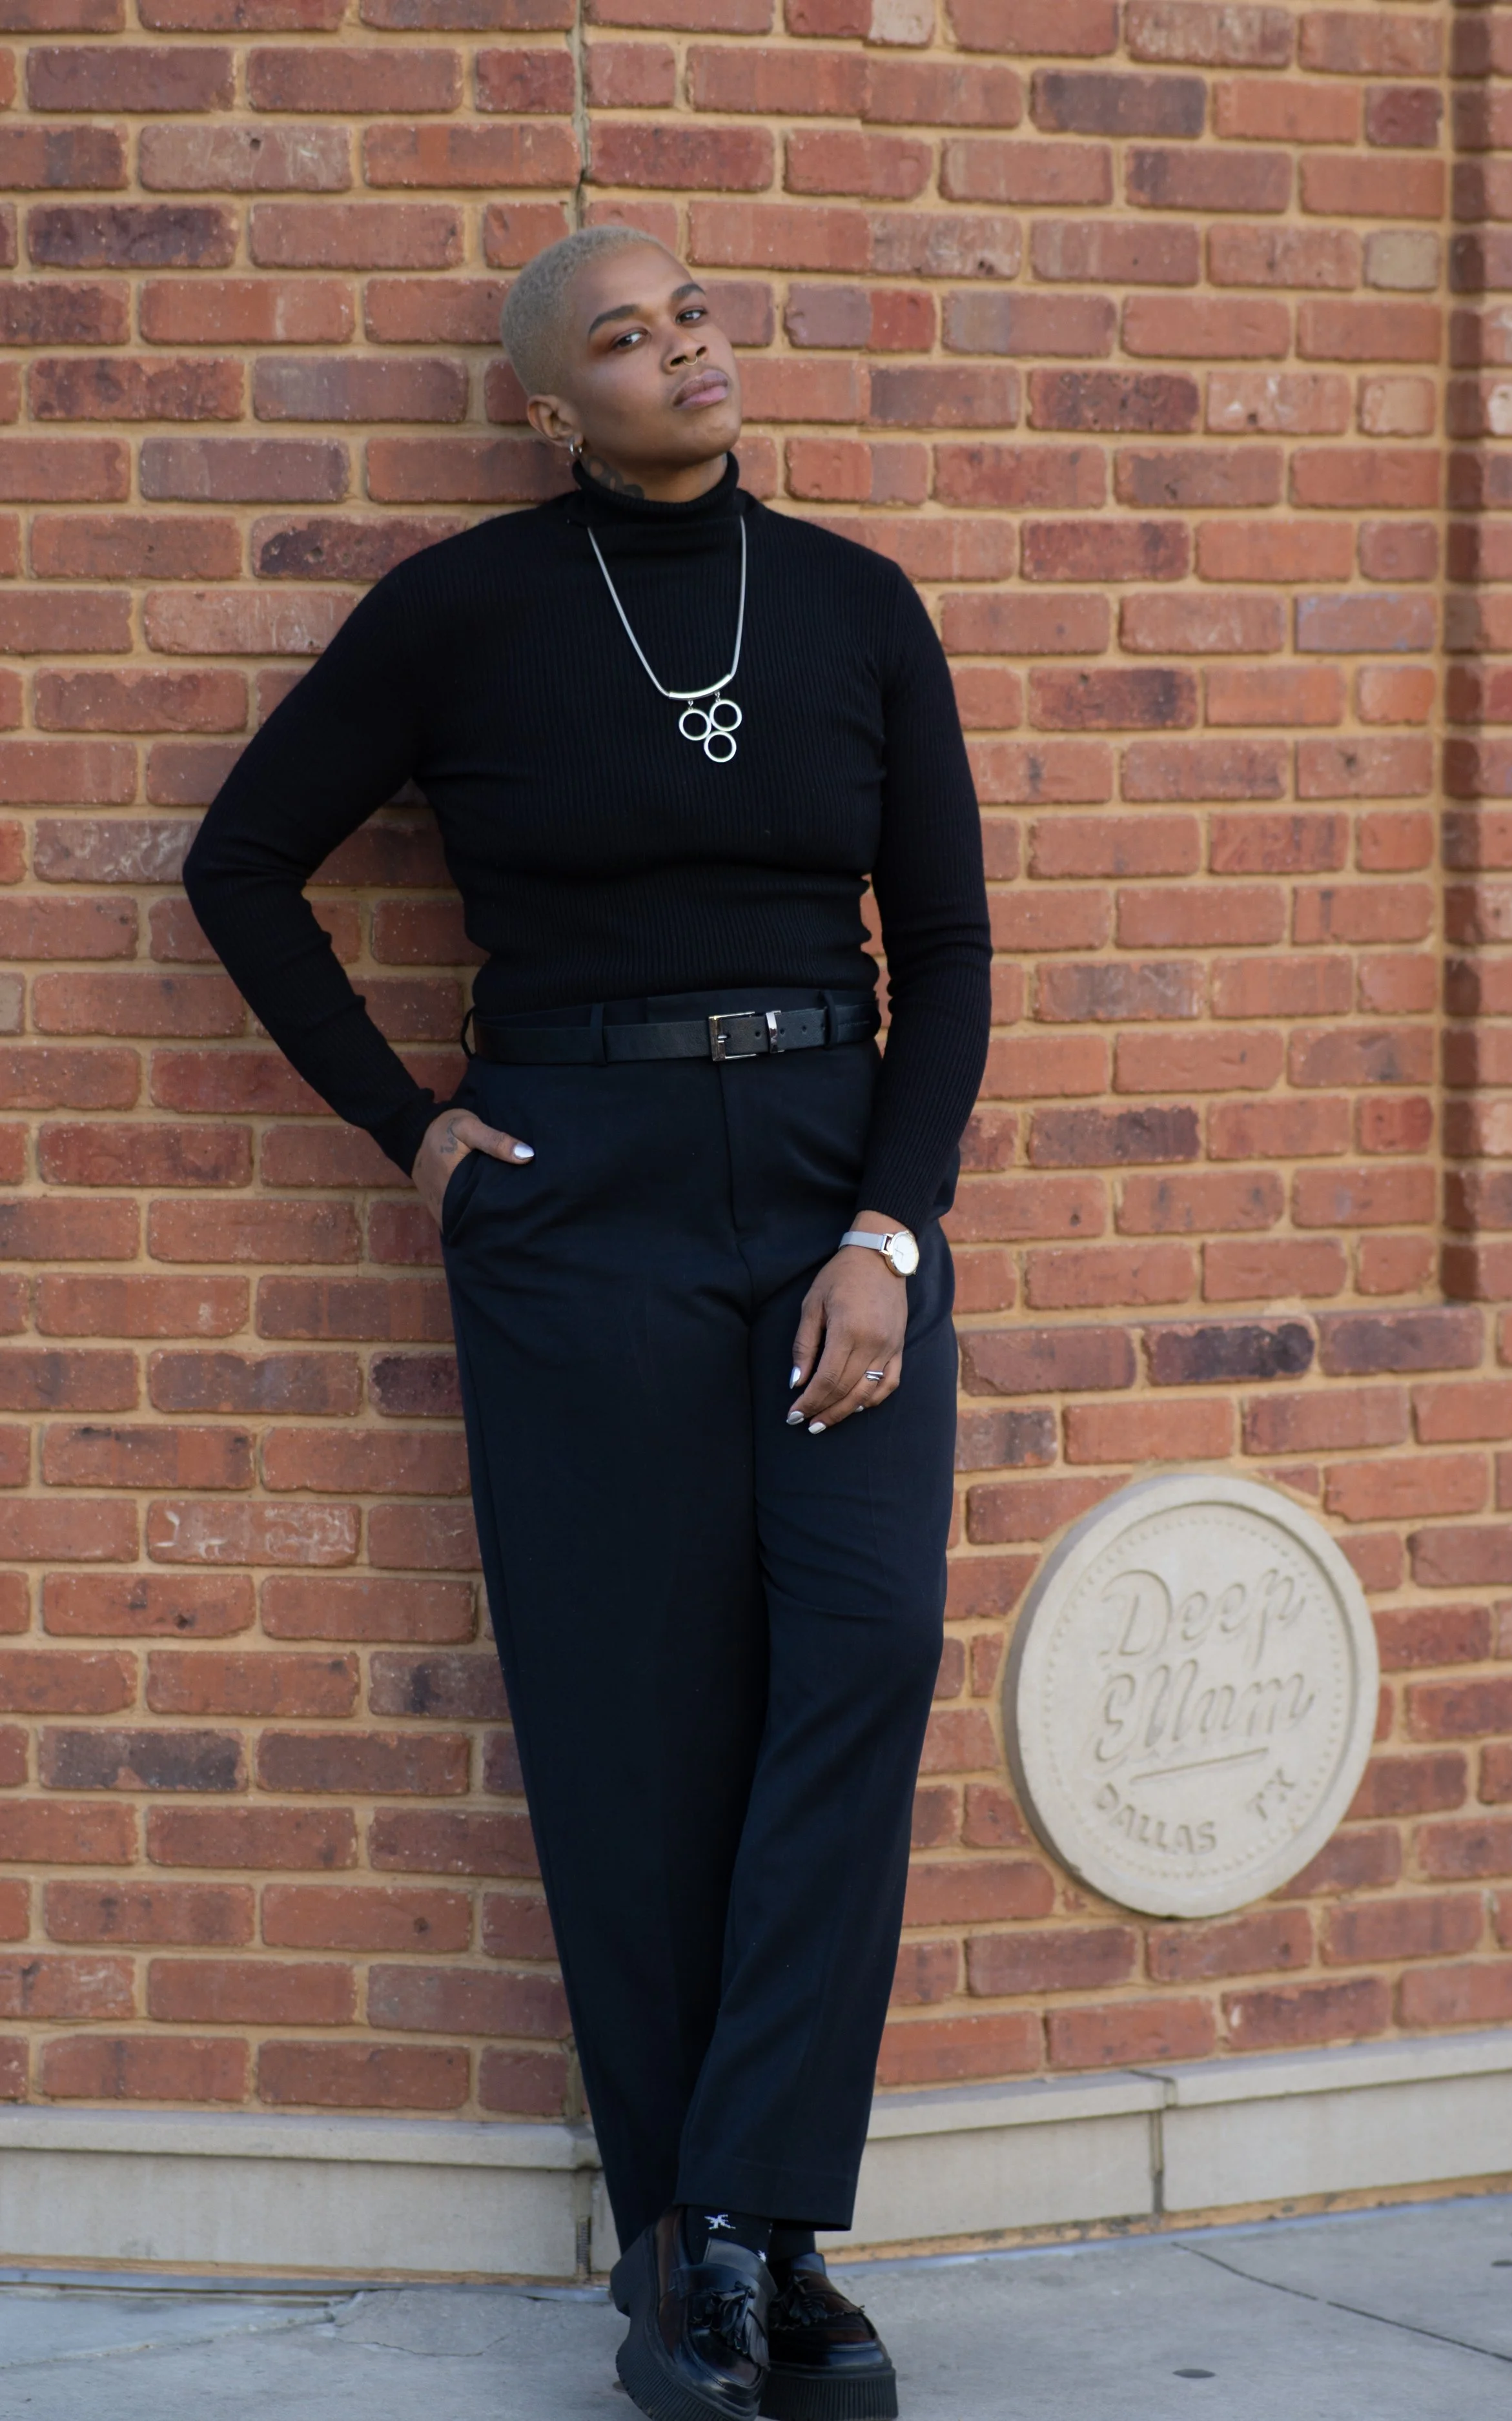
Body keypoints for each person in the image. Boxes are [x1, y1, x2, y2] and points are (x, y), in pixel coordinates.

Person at [184, 223, 992, 2421]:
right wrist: (406, 1129)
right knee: (638, 1727)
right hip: (578, 1198)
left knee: (865, 1645)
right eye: (626, 340)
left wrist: (890, 1236)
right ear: (554, 405)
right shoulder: (461, 609)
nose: (685, 351)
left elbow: (944, 940)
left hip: (828, 1189)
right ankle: (715, 2262)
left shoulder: (850, 602)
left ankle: (736, 2214)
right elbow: (239, 861)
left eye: (697, 314)